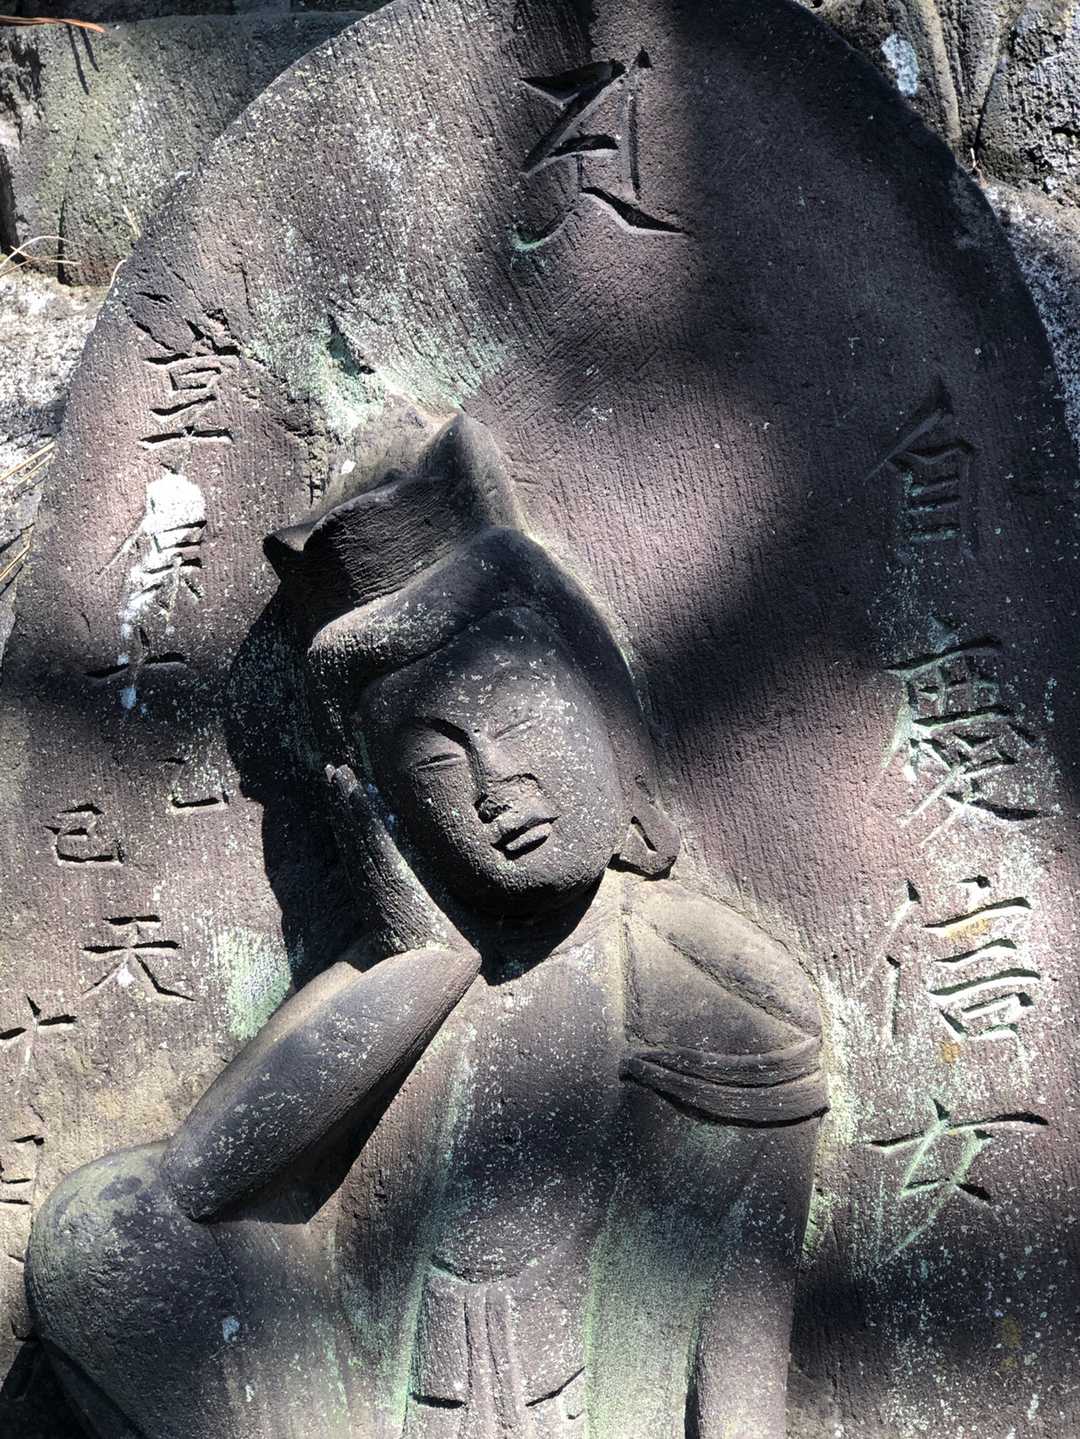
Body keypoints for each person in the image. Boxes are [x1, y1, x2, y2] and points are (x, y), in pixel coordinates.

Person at [28, 415, 826, 1439]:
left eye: (524, 718)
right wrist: (417, 953)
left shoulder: (717, 988)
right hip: (385, 1404)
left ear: (603, 707)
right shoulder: (408, 984)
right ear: (387, 803)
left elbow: (743, 1349)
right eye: (438, 761)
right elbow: (173, 1200)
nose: (499, 787)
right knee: (92, 1237)